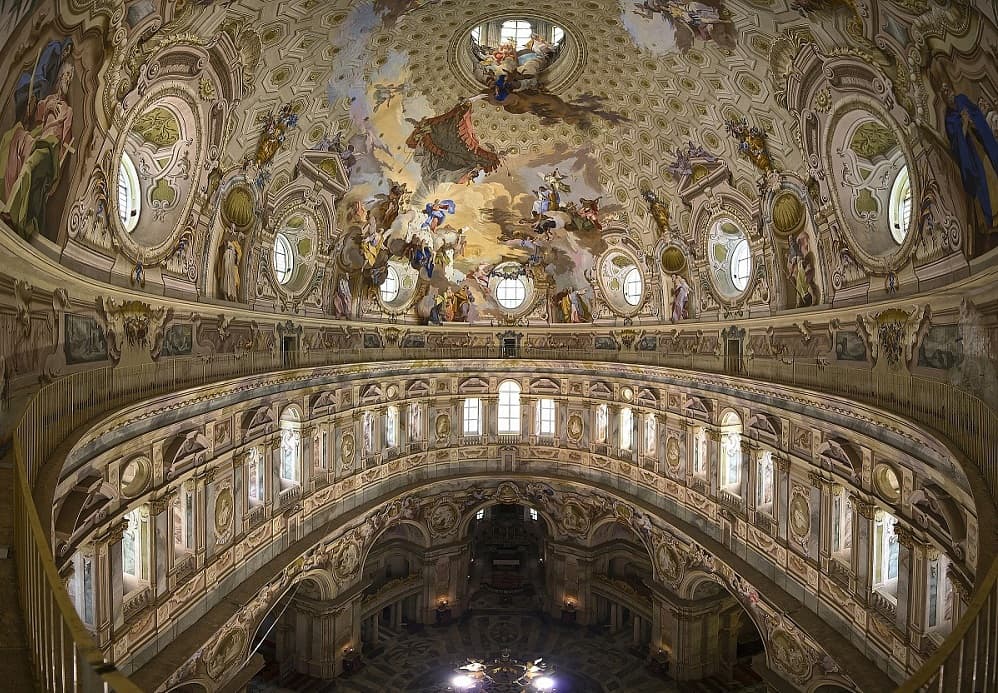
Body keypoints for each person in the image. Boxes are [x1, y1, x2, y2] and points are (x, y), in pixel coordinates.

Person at [1, 51, 76, 239]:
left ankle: (12, 214)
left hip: (49, 150)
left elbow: (66, 141)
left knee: (28, 168)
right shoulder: (49, 100)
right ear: (59, 77)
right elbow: (36, 118)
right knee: (16, 136)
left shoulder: (68, 110)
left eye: (70, 76)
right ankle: (18, 212)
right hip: (37, 142)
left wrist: (57, 168)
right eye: (65, 74)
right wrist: (45, 107)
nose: (67, 78)